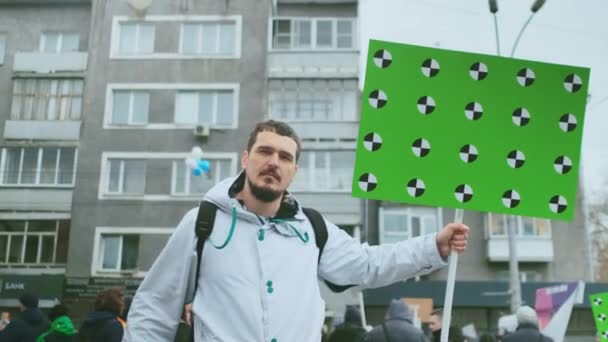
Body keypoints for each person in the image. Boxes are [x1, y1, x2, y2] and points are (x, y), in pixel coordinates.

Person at [124, 120, 470, 341]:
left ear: (294, 171)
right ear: (245, 159)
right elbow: (155, 306)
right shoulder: (203, 223)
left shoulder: (313, 229)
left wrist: (433, 246)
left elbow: (368, 264)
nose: (274, 162)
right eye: (265, 151)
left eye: (285, 157)